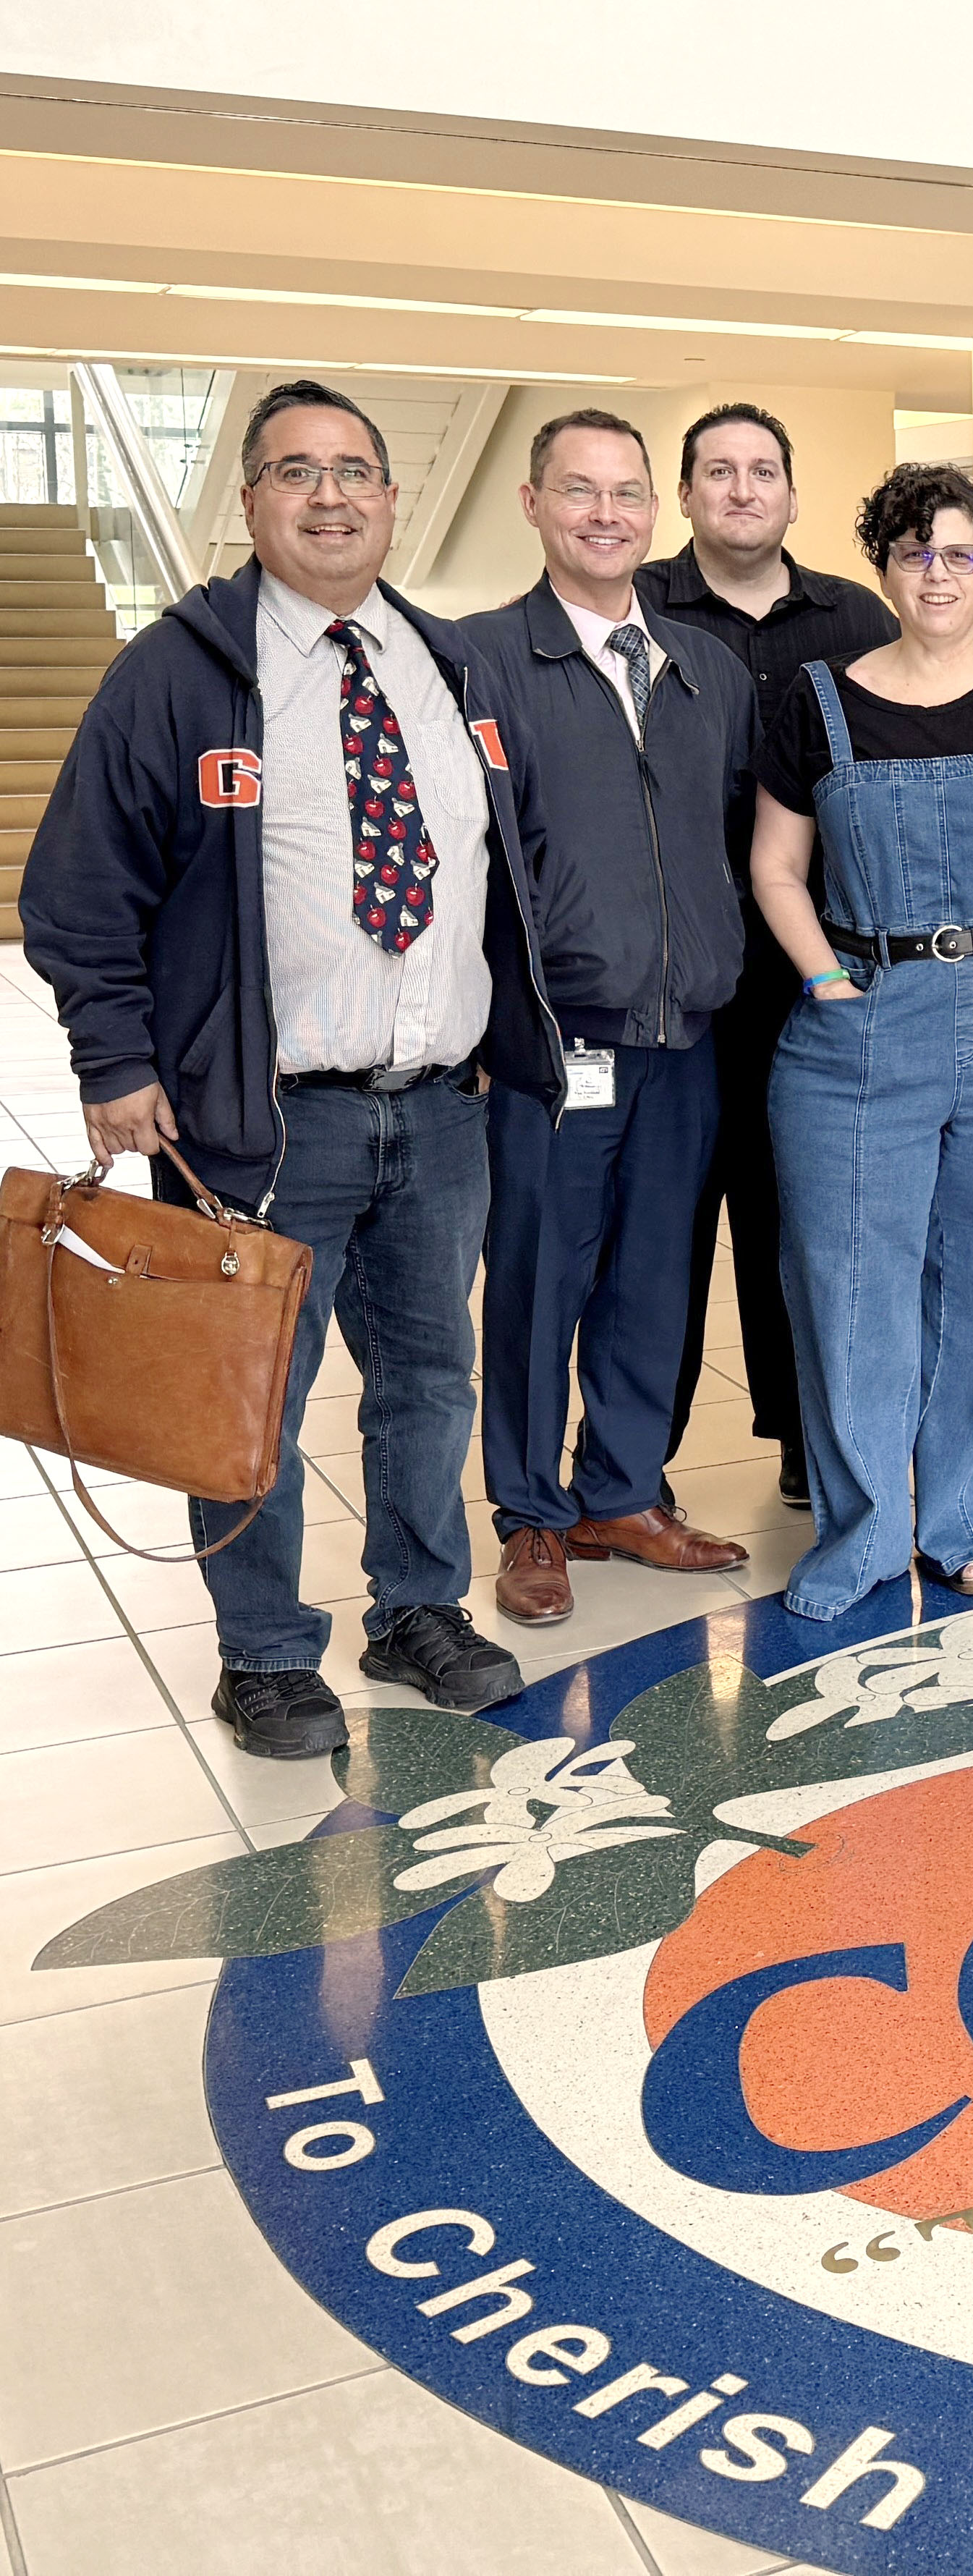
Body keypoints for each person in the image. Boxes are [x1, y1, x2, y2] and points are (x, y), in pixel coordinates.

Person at [20, 378, 563, 1759]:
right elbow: (79, 886)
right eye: (295, 472)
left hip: (440, 1108)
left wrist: (500, 1036)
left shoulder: (447, 668)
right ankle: (262, 1655)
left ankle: (417, 1610)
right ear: (249, 501)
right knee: (242, 1385)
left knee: (431, 1376)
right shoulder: (182, 672)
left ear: (391, 499)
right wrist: (117, 1059)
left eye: (356, 472)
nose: (331, 496)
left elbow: (502, 875)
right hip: (261, 1123)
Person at [749, 462, 973, 1622]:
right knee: (850, 1284)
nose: (938, 574)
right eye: (915, 553)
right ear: (884, 569)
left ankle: (969, 1523)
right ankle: (863, 1537)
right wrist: (824, 981)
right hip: (862, 1021)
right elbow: (774, 867)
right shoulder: (811, 701)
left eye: (961, 553)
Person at [462, 410, 756, 1627]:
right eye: (577, 491)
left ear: (657, 511)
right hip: (548, 1043)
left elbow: (741, 842)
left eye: (627, 493)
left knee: (654, 1280)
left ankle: (621, 1492)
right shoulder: (477, 662)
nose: (605, 514)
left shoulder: (710, 670)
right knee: (539, 1282)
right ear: (532, 505)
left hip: (685, 1033)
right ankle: (531, 1517)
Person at [635, 402, 896, 1513]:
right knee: (662, 1223)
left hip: (812, 969)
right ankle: (632, 1460)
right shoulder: (634, 605)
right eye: (717, 472)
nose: (741, 490)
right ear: (686, 494)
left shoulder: (852, 615)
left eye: (763, 472)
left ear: (791, 494)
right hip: (671, 973)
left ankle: (804, 1434)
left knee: (805, 1216)